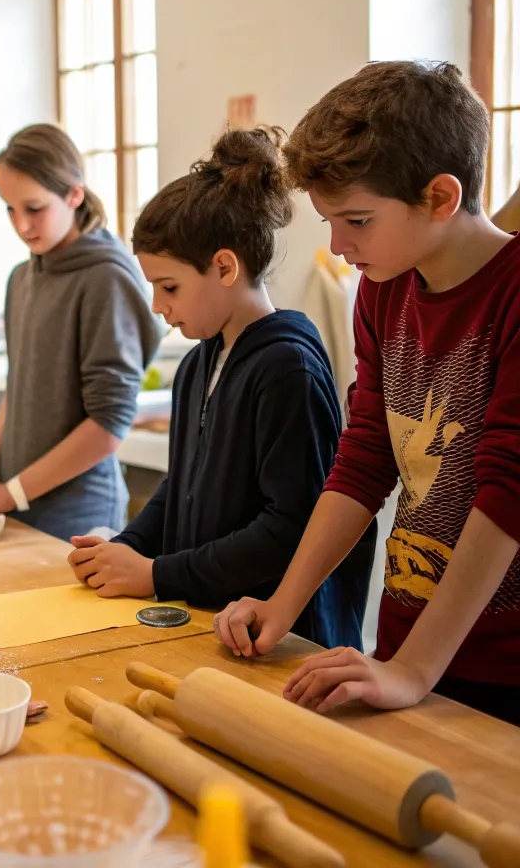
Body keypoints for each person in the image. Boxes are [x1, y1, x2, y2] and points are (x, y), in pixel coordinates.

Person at [215, 61, 520, 726]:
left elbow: (509, 492)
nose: (338, 244)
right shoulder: (384, 293)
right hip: (411, 642)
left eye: (356, 219)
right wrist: (282, 607)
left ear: (441, 197)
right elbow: (364, 461)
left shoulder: (513, 294)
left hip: (502, 663)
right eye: (329, 220)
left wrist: (415, 668)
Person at [68, 128, 374, 648]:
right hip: (210, 623)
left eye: (169, 287)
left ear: (225, 266)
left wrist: (155, 575)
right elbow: (178, 486)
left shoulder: (287, 370)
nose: (157, 306)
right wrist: (122, 551)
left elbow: (288, 528)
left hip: (283, 640)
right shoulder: (197, 365)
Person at [0, 124, 160, 539]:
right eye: (10, 209)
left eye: (34, 208)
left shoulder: (106, 279)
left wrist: (11, 492)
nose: (21, 225)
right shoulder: (23, 277)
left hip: (78, 514)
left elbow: (108, 425)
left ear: (74, 195)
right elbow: (18, 390)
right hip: (16, 502)